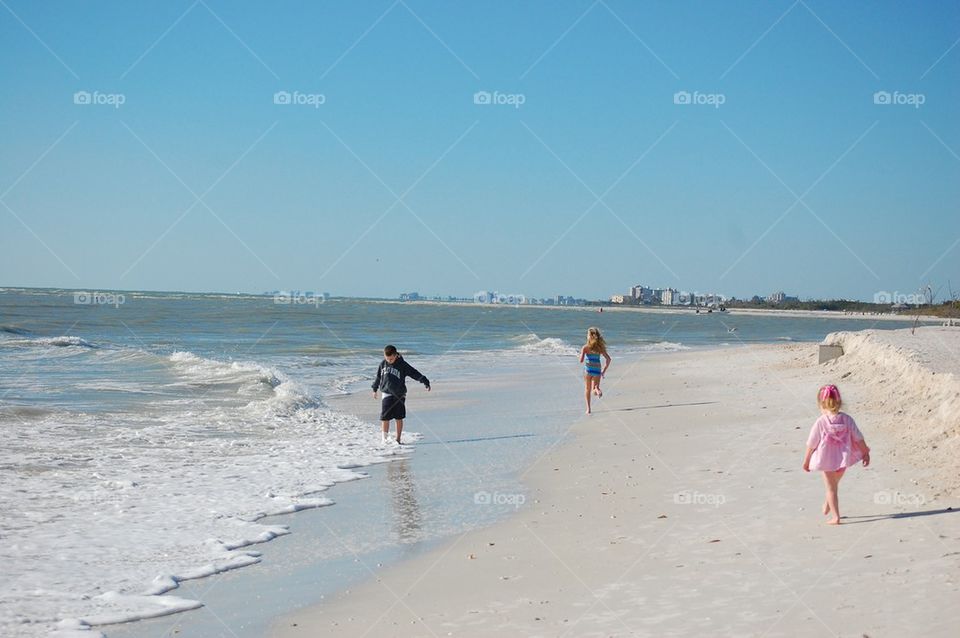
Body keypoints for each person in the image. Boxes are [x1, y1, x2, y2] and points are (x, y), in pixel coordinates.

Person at [802, 384, 871, 525]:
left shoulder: (821, 422)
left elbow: (812, 443)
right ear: (839, 402)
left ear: (821, 405)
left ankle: (836, 517)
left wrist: (806, 460)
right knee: (834, 485)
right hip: (842, 460)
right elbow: (859, 437)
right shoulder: (847, 419)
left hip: (825, 460)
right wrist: (865, 453)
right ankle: (828, 503)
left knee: (831, 488)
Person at [372, 345, 430, 444]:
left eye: (391, 359)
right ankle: (384, 439)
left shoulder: (402, 365)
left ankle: (398, 439)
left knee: (399, 417)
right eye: (387, 358)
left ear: (395, 355)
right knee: (385, 417)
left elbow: (414, 373)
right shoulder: (383, 364)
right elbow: (378, 377)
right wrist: (374, 388)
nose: (389, 361)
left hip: (399, 394)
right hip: (386, 393)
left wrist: (425, 381)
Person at [578, 327, 611, 415]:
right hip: (597, 370)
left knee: (587, 389)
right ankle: (597, 389)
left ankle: (588, 409)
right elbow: (608, 359)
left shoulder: (585, 347)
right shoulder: (600, 348)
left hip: (588, 370)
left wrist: (581, 354)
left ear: (589, 336)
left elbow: (581, 361)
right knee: (594, 390)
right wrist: (603, 371)